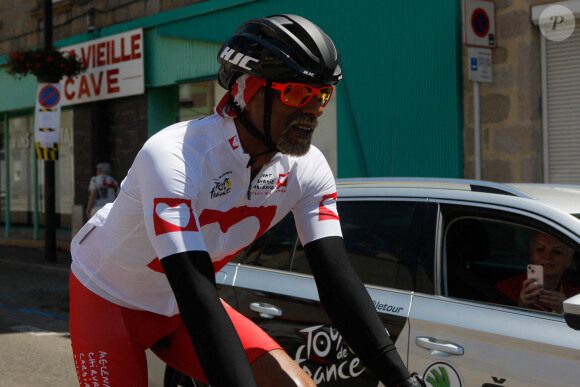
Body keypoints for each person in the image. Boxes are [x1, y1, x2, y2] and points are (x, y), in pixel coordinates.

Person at [69, 14, 425, 387]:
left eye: (322, 95)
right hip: (108, 301)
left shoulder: (308, 168)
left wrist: (401, 379)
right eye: (296, 93)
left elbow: (337, 284)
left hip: (176, 309)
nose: (313, 110)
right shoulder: (175, 155)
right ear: (248, 91)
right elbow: (195, 290)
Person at [496, 231, 580, 313]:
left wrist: (568, 312)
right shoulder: (506, 289)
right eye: (540, 250)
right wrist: (521, 308)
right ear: (531, 254)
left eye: (557, 252)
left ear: (569, 259)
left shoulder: (576, 297)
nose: (547, 256)